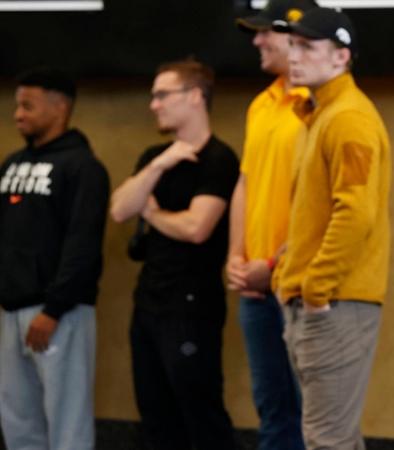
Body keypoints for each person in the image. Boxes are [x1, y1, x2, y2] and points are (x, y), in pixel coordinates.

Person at [271, 7, 391, 450]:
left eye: (307, 46)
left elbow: (355, 214)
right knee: (333, 438)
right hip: (322, 301)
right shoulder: (321, 113)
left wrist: (316, 288)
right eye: (292, 45)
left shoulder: (348, 118)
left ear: (341, 56)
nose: (294, 55)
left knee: (327, 441)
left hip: (335, 303)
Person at [109, 59, 239, 450]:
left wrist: (152, 213)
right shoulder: (155, 156)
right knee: (155, 414)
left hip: (191, 305)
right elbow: (119, 209)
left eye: (163, 95)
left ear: (195, 97)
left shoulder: (219, 159)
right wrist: (158, 166)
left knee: (199, 411)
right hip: (149, 300)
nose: (154, 105)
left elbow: (197, 228)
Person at [0, 68, 109, 450]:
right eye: (17, 106)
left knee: (67, 422)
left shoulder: (83, 167)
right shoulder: (11, 164)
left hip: (60, 314)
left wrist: (53, 309)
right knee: (17, 421)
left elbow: (83, 245)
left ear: (60, 107)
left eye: (28, 106)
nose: (18, 115)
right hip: (11, 310)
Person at [228, 1, 317, 448]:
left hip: (300, 285)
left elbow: (324, 207)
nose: (258, 41)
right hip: (256, 288)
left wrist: (275, 265)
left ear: (298, 38)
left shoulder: (319, 104)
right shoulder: (261, 105)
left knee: (315, 418)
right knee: (272, 411)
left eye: (266, 32)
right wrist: (236, 257)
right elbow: (246, 183)